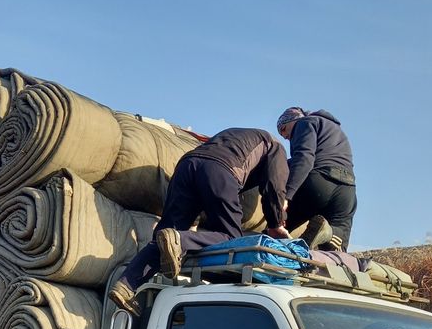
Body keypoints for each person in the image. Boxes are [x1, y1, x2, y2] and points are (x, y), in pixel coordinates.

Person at [109, 128, 289, 315]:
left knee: (166, 235)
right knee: (231, 241)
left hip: (187, 165)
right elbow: (274, 186)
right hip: (220, 170)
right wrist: (276, 223)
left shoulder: (239, 135)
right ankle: (180, 240)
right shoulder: (276, 147)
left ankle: (126, 285)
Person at [277, 105, 357, 251]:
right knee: (336, 249)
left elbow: (304, 158)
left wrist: (286, 196)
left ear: (293, 119)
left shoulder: (304, 123)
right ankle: (329, 232)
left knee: (278, 228)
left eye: (283, 129)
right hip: (347, 190)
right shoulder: (337, 131)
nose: (286, 136)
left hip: (319, 181)